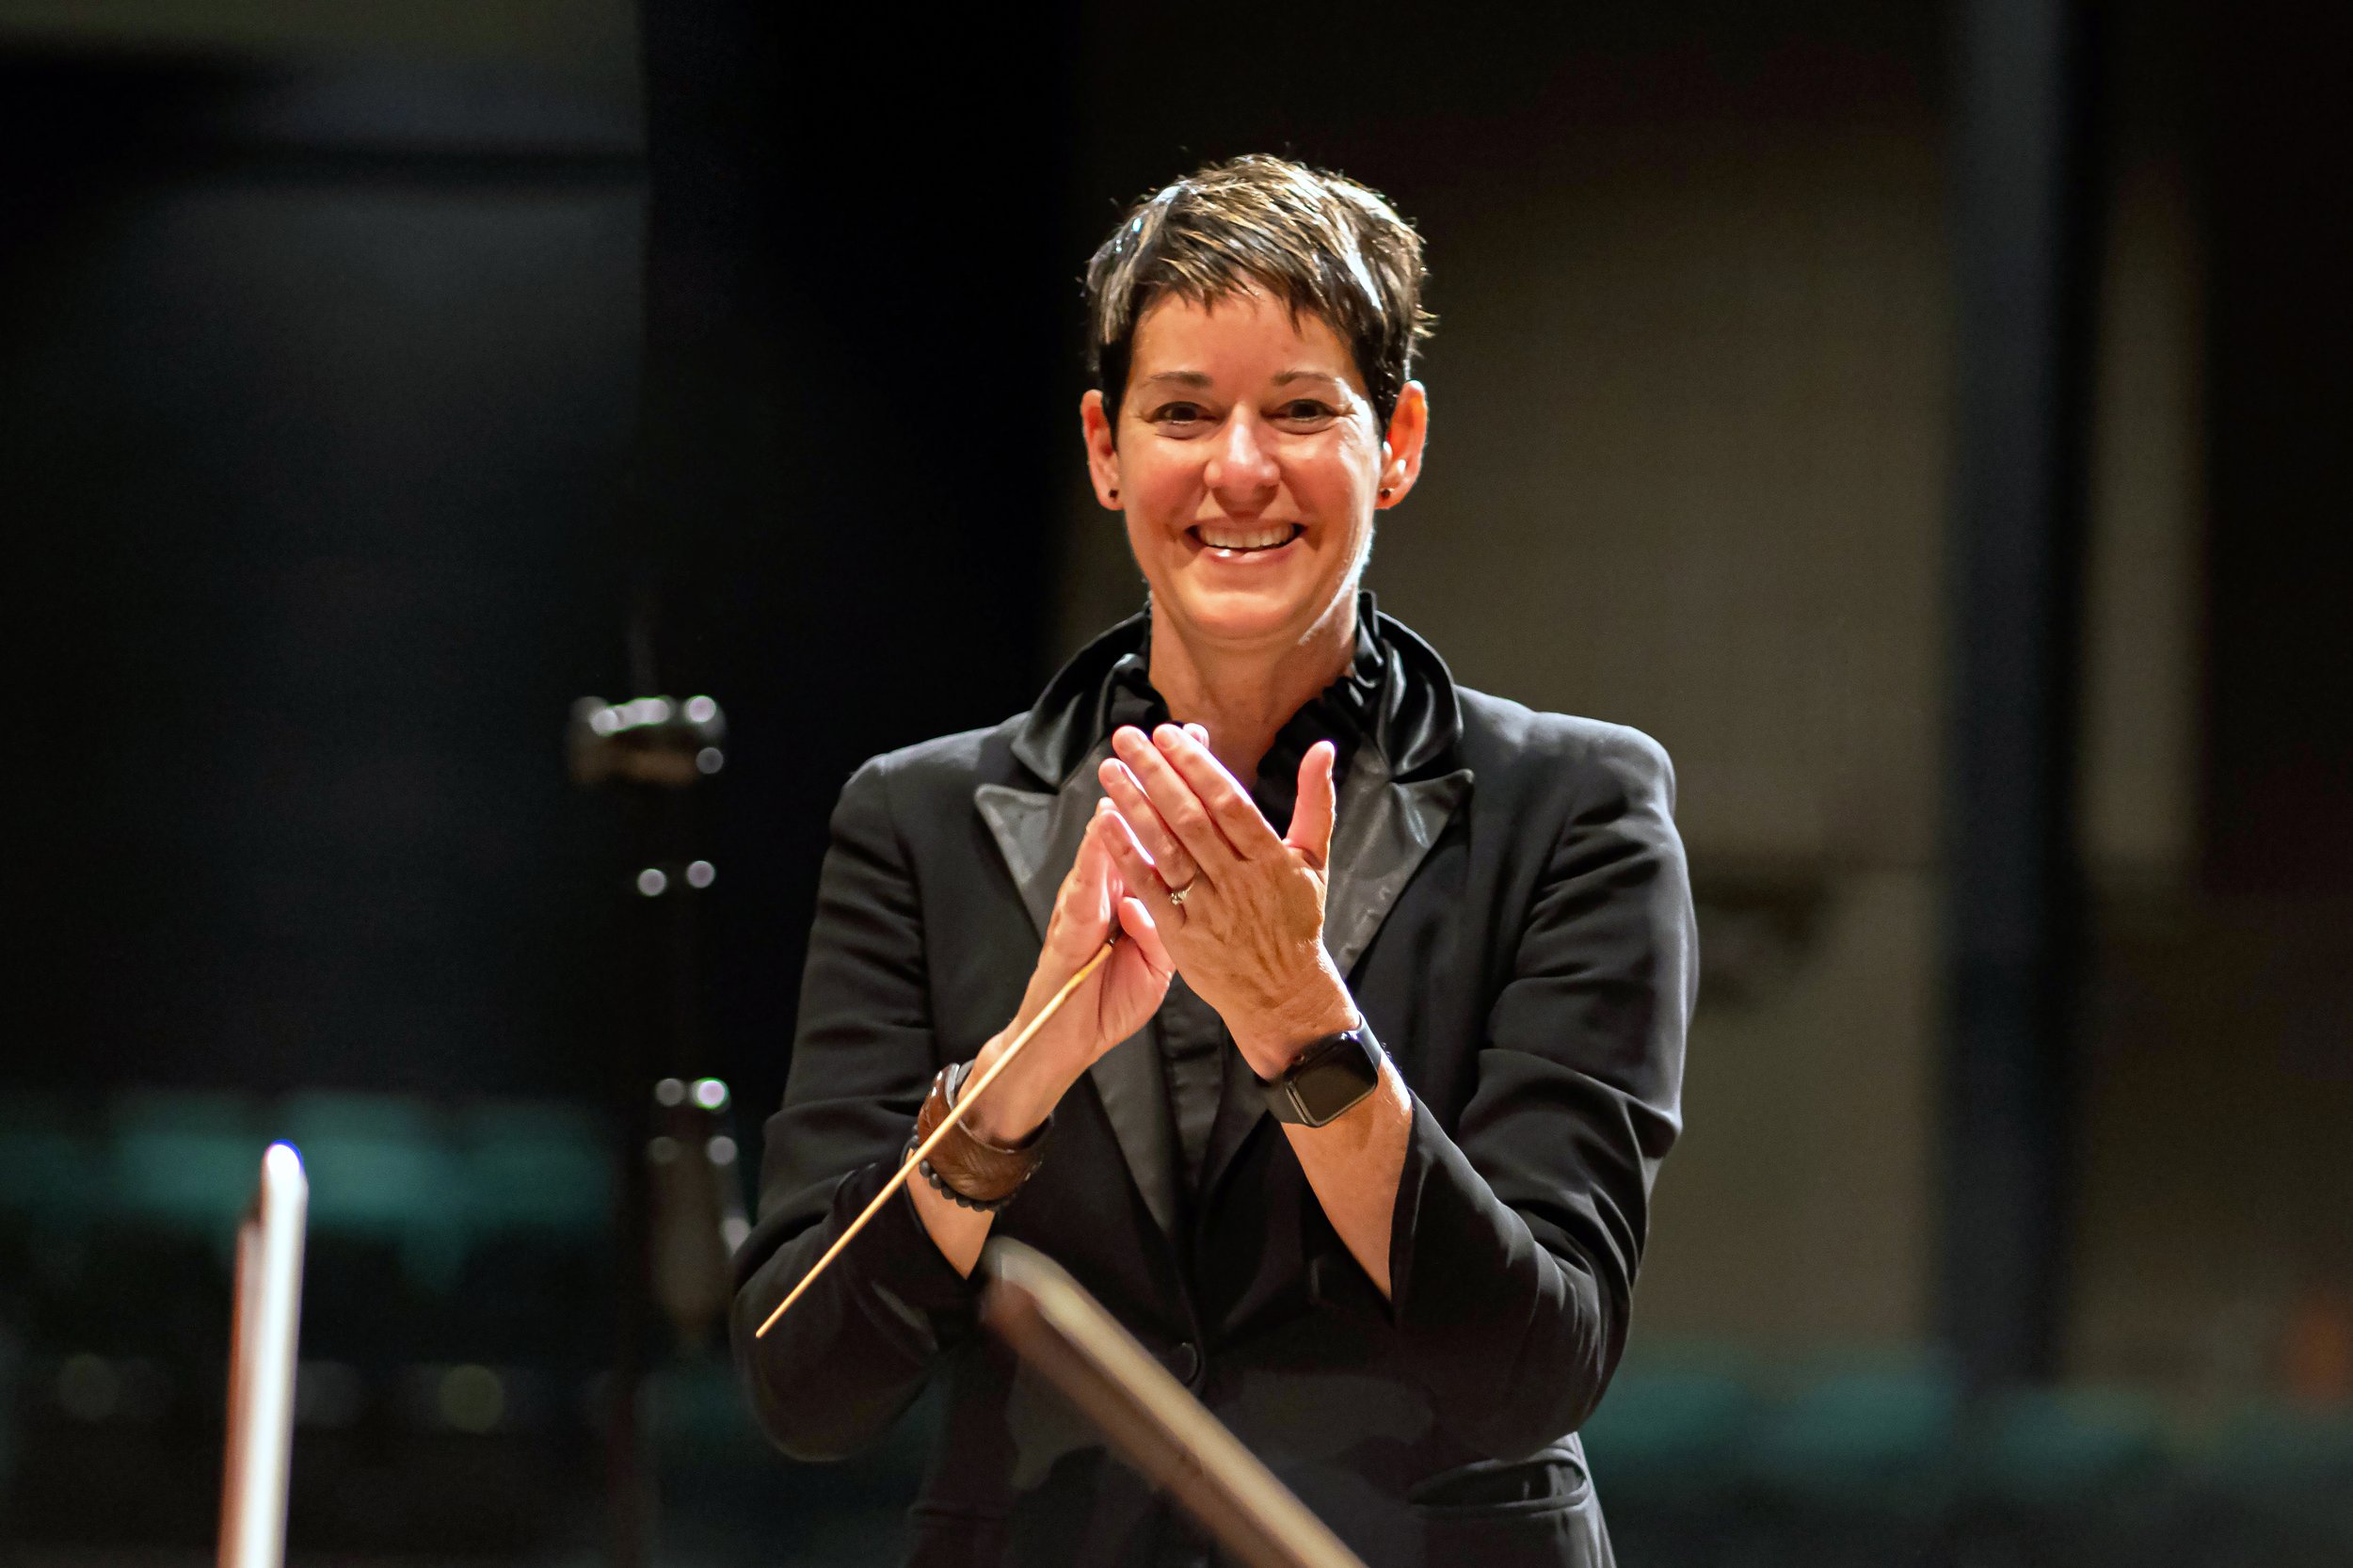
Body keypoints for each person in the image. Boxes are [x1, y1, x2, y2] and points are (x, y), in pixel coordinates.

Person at [730, 154, 1696, 1568]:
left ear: (1399, 441)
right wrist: (1012, 1085)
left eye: (1303, 410)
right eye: (1184, 412)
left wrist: (1303, 1025)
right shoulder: (917, 819)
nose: (1239, 468)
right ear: (1106, 448)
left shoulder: (1579, 808)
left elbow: (1531, 1369)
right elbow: (807, 1386)